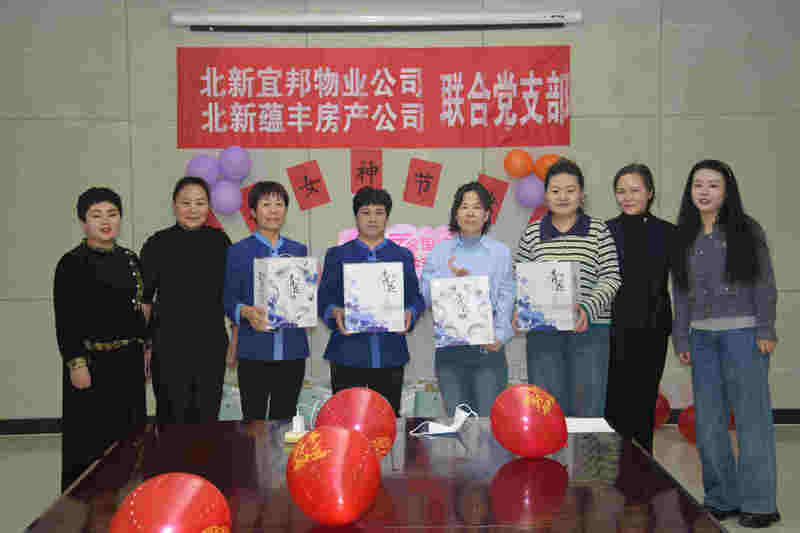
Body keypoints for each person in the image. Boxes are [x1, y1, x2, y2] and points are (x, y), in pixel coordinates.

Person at [672, 159, 779, 528]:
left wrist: (765, 329)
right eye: (698, 185)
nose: (704, 191)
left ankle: (760, 504)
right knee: (709, 424)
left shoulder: (747, 229)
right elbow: (680, 292)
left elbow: (764, 282)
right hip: (701, 339)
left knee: (752, 421)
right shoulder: (684, 235)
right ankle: (721, 499)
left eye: (713, 185)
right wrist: (681, 336)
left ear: (727, 191)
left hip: (745, 336)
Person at [53, 187, 148, 491]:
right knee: (89, 445)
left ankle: (127, 503)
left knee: (129, 442)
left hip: (128, 363)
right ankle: (82, 508)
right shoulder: (71, 263)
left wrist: (146, 349)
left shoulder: (130, 259)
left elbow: (139, 312)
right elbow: (66, 320)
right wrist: (76, 363)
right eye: (96, 216)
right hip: (91, 364)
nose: (106, 222)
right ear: (84, 222)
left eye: (112, 214)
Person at [515, 158, 620, 417]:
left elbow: (611, 277)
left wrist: (587, 309)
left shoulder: (599, 231)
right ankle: (550, 447)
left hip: (589, 332)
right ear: (545, 196)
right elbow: (518, 278)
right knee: (546, 410)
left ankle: (585, 447)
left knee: (588, 408)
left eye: (570, 190)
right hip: (543, 335)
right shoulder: (532, 233)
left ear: (581, 195)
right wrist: (519, 310)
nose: (563, 197)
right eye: (555, 190)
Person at [317, 187, 426, 416]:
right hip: (347, 353)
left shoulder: (402, 255)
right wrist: (333, 312)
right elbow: (322, 298)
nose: (373, 219)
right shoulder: (337, 255)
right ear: (356, 217)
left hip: (390, 353)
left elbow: (416, 298)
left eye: (379, 212)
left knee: (386, 421)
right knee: (346, 421)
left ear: (387, 217)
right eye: (366, 212)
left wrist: (411, 313)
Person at [139, 176, 233, 424]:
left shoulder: (221, 242)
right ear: (174, 206)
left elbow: (232, 296)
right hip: (168, 347)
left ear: (208, 207)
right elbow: (145, 301)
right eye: (186, 203)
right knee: (172, 419)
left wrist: (235, 341)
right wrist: (144, 346)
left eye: (200, 203)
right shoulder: (157, 243)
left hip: (210, 346)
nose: (193, 209)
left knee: (207, 418)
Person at [420, 182, 514, 417]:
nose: (470, 213)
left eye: (477, 207)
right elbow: (425, 297)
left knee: (488, 423)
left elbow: (507, 296)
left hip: (488, 350)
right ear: (456, 213)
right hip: (450, 351)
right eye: (464, 207)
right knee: (457, 422)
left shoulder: (500, 252)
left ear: (487, 215)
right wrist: (449, 282)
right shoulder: (439, 253)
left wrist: (501, 336)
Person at [604, 164, 676, 453]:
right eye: (621, 191)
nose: (627, 197)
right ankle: (611, 471)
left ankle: (643, 469)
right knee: (613, 404)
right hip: (612, 329)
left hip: (653, 329)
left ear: (650, 192)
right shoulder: (604, 231)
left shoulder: (669, 232)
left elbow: (686, 284)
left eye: (635, 190)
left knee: (644, 404)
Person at [224, 181, 309, 422]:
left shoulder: (299, 250)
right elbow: (228, 299)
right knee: (254, 422)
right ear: (253, 211)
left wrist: (311, 290)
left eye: (279, 204)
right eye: (266, 204)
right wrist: (246, 311)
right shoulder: (239, 251)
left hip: (292, 350)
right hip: (254, 350)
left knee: (285, 421)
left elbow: (303, 298)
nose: (273, 210)